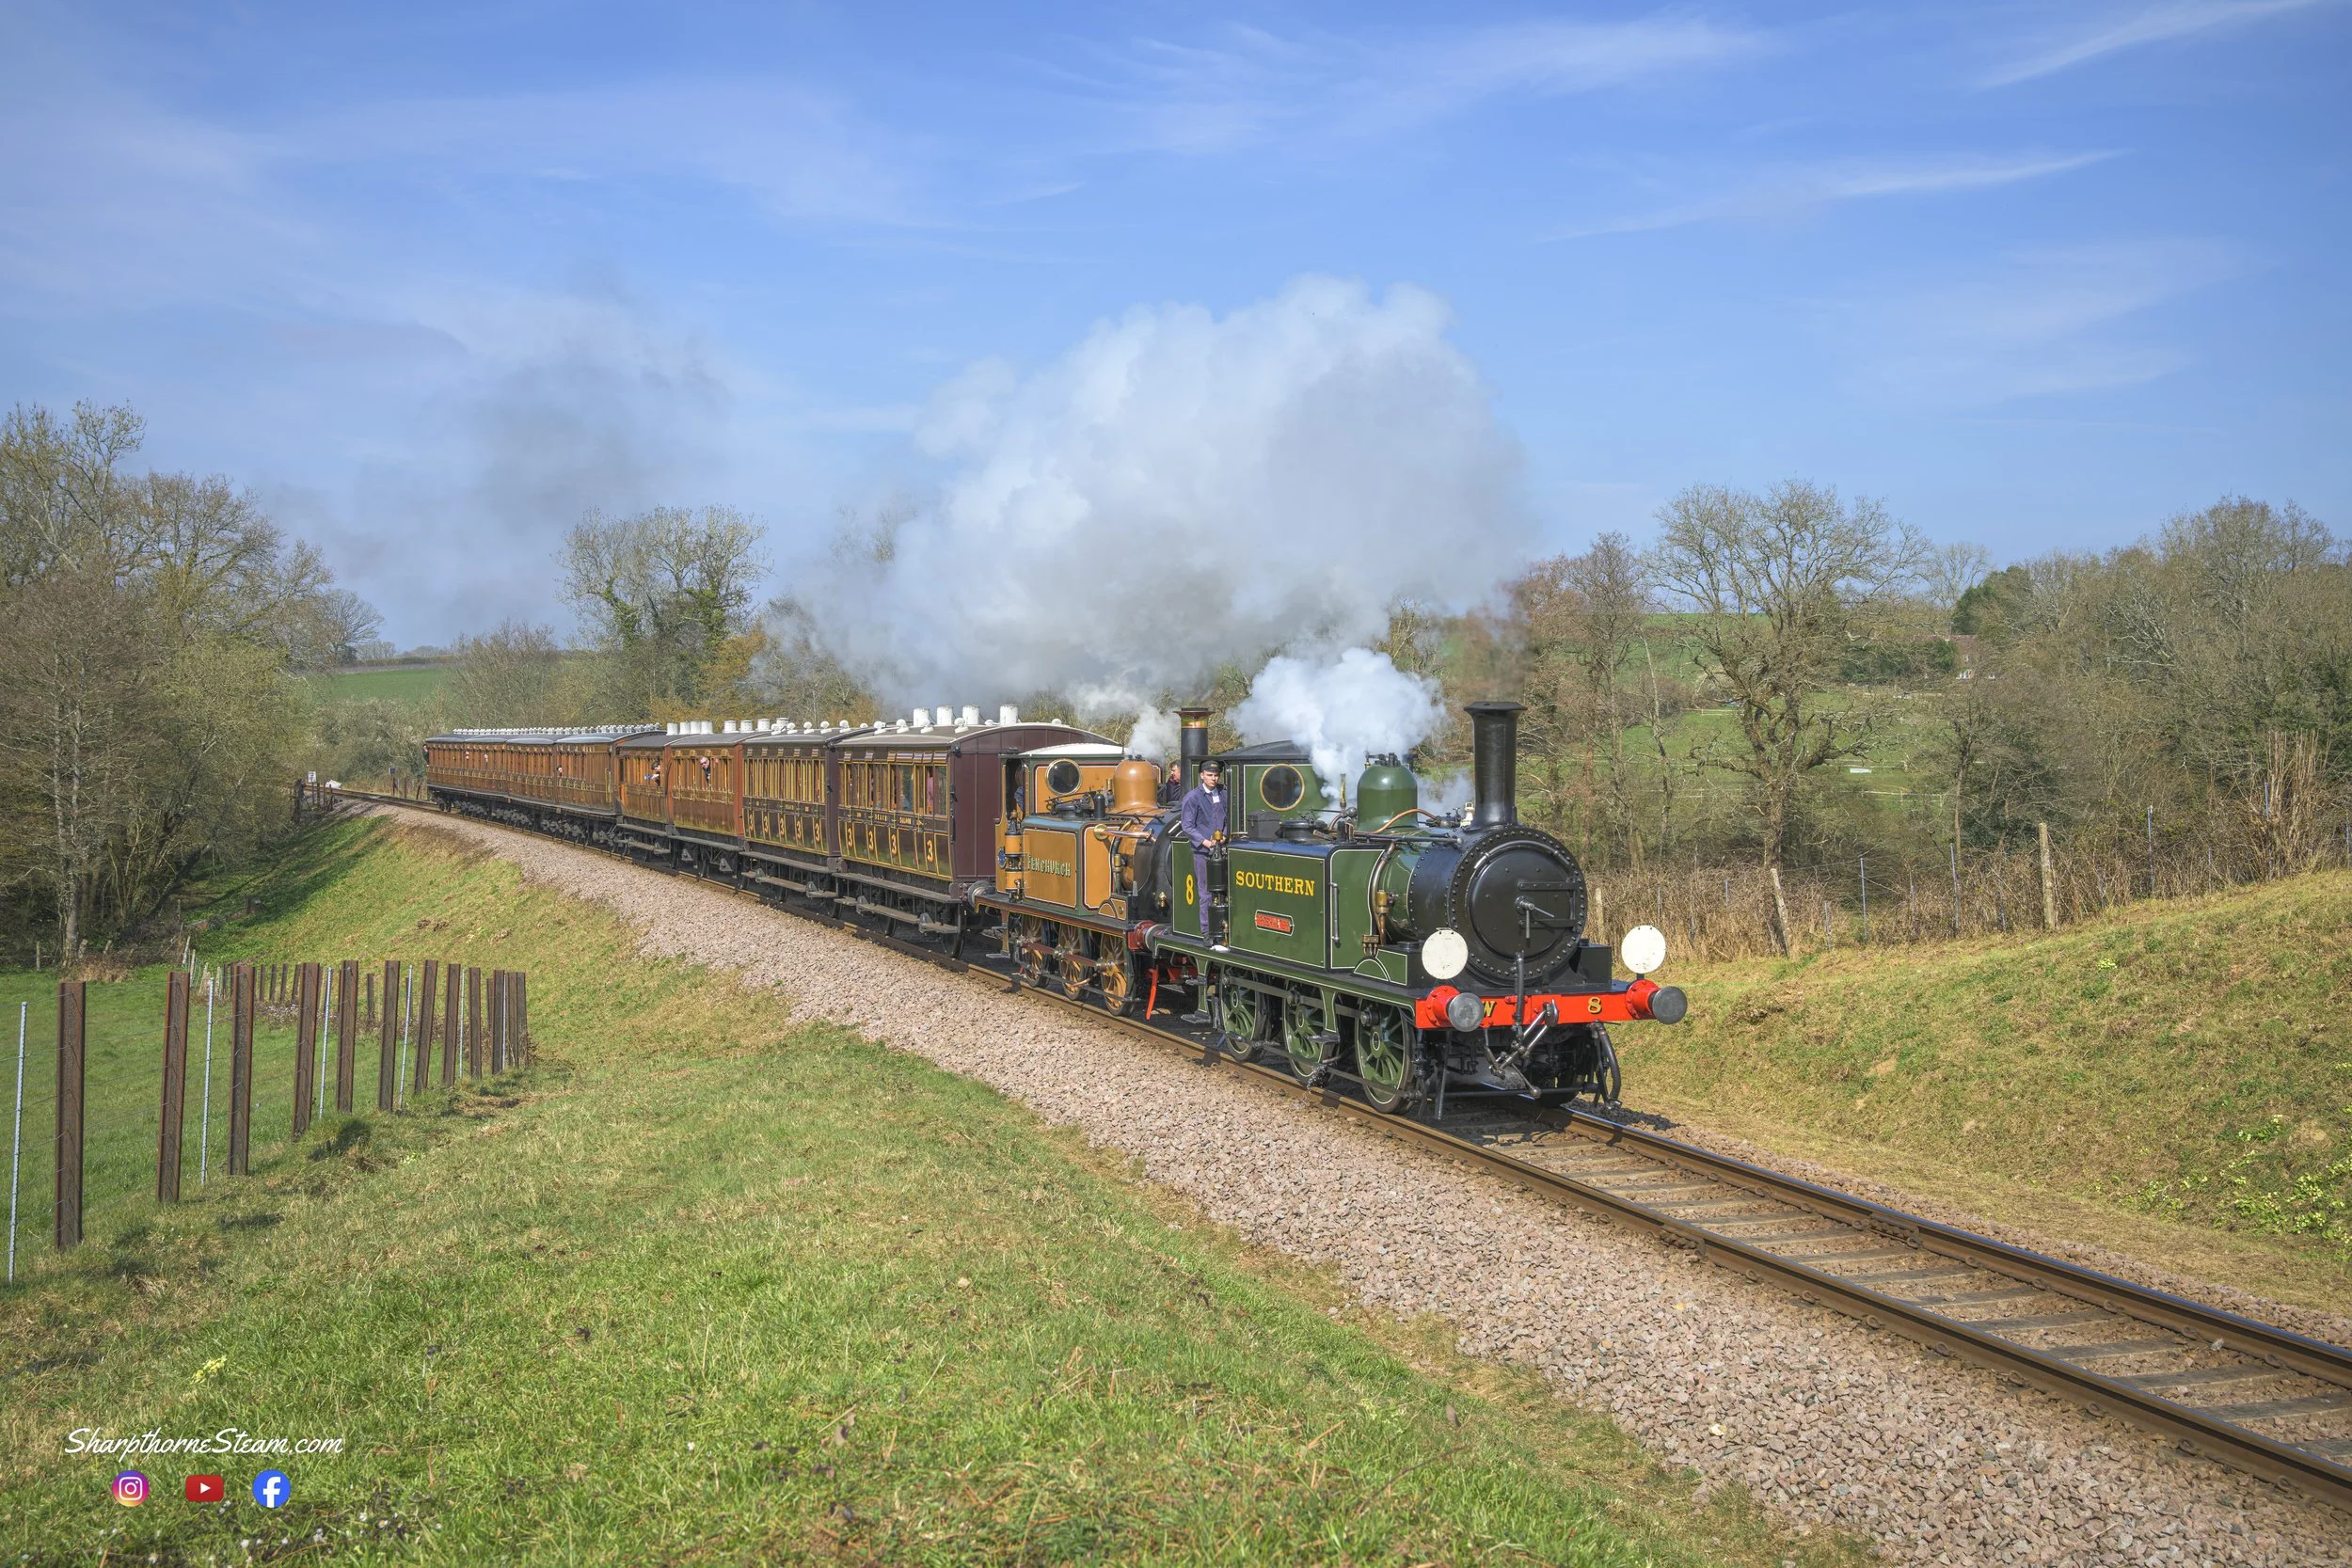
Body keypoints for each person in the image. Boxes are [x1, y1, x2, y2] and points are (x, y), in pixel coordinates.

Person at [1180, 760, 1228, 949]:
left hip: (1223, 848)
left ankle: (1224, 929)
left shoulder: (1223, 794)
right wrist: (1206, 842)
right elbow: (1187, 826)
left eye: (1216, 775)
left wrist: (1224, 835)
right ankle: (1207, 932)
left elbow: (1230, 817)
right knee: (1206, 892)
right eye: (1210, 775)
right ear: (1202, 775)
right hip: (1203, 851)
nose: (1213, 778)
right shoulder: (1193, 797)